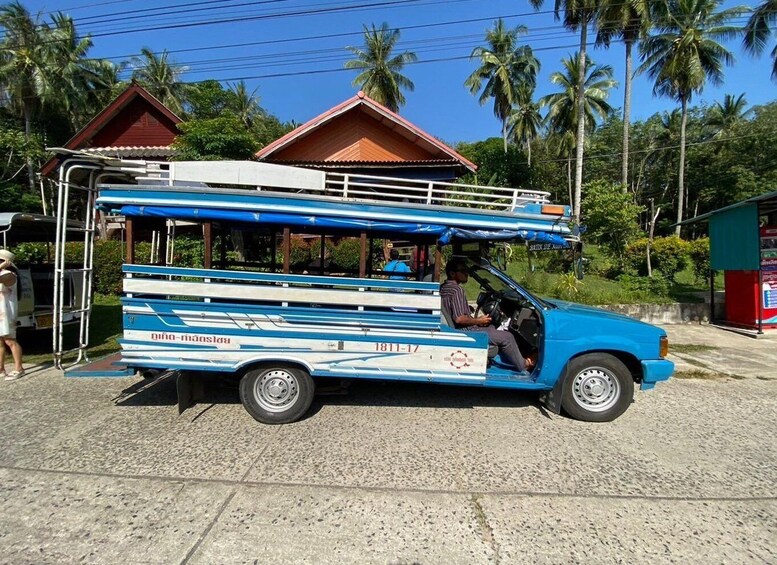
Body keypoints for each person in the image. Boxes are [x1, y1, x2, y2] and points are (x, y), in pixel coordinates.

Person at [440, 257, 533, 373]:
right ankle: (524, 365)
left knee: (493, 327)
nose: (466, 273)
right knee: (508, 337)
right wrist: (479, 320)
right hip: (465, 331)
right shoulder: (457, 290)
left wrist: (466, 308)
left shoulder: (444, 288)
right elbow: (459, 319)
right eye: (463, 270)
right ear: (453, 273)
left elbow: (451, 308)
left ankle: (503, 359)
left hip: (456, 329)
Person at [0, 249, 24, 381]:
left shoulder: (9, 275)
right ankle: (1, 368)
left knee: (10, 340)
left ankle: (19, 368)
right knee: (0, 342)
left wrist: (2, 267)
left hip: (7, 312)